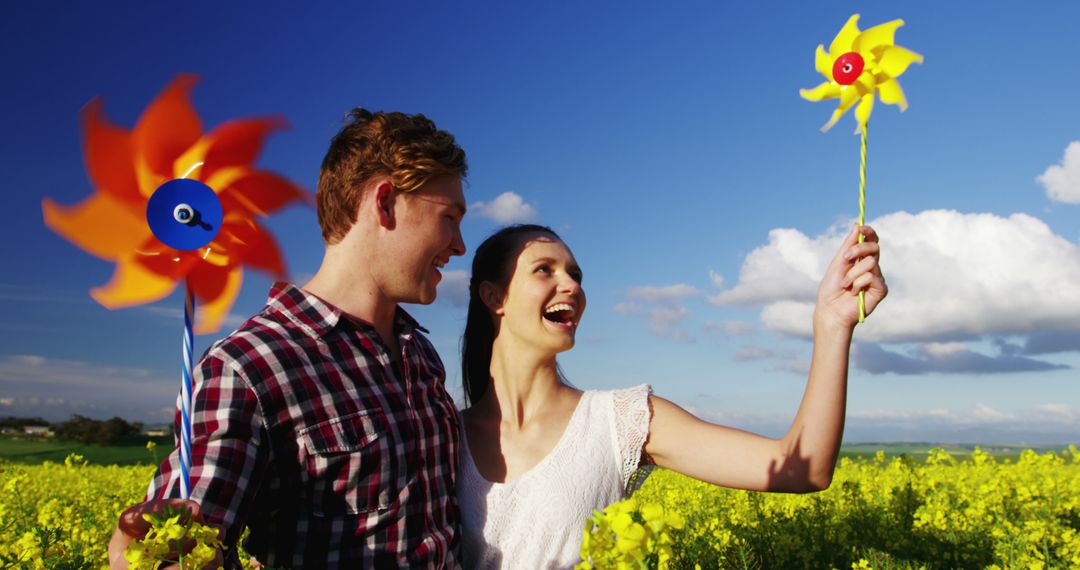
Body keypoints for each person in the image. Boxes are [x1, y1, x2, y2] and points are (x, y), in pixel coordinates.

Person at [108, 109, 470, 569]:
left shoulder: (420, 355)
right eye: (449, 217)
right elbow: (193, 525)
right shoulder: (248, 365)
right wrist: (154, 547)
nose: (459, 244)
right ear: (384, 203)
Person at [456, 223, 887, 568]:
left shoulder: (620, 420)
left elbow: (802, 469)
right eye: (545, 270)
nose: (571, 285)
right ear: (494, 296)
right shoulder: (438, 434)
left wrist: (832, 325)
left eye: (575, 274)